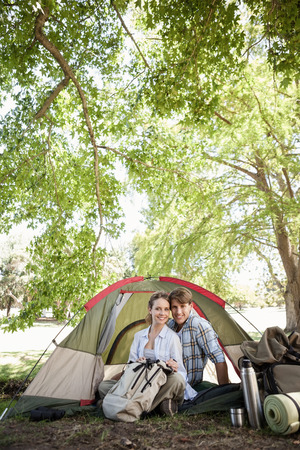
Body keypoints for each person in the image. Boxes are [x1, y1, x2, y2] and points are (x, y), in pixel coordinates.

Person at [98, 291, 196, 416]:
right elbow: (129, 367)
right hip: (139, 383)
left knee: (177, 381)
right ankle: (158, 406)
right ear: (150, 309)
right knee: (103, 386)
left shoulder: (172, 338)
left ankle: (118, 404)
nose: (162, 313)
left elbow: (182, 374)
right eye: (158, 309)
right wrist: (137, 364)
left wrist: (173, 367)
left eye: (166, 309)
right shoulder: (139, 336)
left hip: (160, 384)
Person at [167, 287, 229, 391]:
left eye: (183, 306)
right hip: (171, 382)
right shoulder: (170, 325)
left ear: (190, 306)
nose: (178, 312)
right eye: (174, 307)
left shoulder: (199, 325)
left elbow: (219, 359)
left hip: (190, 386)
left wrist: (224, 392)